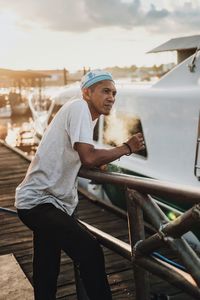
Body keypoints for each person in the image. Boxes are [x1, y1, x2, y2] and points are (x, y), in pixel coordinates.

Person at [15, 69, 145, 300]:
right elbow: (88, 156)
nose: (111, 98)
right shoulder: (79, 108)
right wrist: (127, 148)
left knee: (47, 265)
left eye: (114, 93)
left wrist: (98, 161)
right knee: (90, 251)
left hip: (44, 203)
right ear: (87, 92)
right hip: (40, 202)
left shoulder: (83, 114)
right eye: (105, 91)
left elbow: (83, 156)